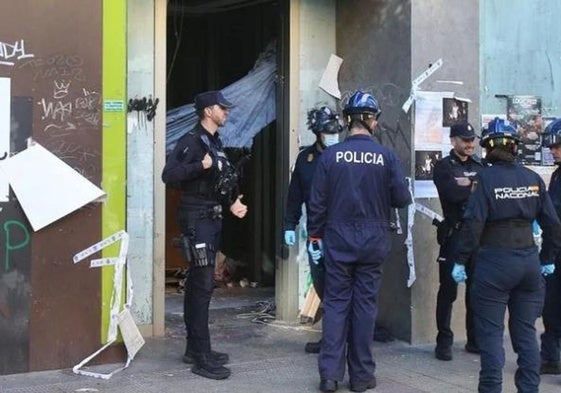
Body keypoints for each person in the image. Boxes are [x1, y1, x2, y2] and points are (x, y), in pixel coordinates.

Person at [307, 91, 412, 393]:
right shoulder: (386, 157)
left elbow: (317, 203)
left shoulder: (330, 156)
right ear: (371, 121)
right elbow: (402, 198)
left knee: (336, 306)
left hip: (338, 241)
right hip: (373, 240)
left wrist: (315, 236)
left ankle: (330, 376)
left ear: (347, 120)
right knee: (365, 307)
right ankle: (362, 376)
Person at [450, 117, 561, 393]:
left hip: (494, 264)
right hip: (528, 264)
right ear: (515, 148)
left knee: (490, 336)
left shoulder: (485, 180)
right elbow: (553, 225)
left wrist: (460, 261)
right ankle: (529, 389)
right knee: (526, 335)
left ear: (487, 149)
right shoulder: (533, 179)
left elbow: (473, 224)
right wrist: (547, 259)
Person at [161, 90, 248, 380]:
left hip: (211, 218)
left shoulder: (215, 143)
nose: (226, 112)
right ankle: (202, 357)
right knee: (201, 286)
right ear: (208, 111)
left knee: (202, 286)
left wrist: (231, 203)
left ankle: (194, 349)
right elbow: (169, 175)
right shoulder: (192, 142)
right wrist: (201, 165)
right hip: (197, 219)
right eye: (222, 108)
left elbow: (218, 184)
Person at [283, 106, 343, 354]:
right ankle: (330, 337)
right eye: (328, 131)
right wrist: (289, 224)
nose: (333, 135)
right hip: (316, 232)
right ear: (318, 132)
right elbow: (295, 195)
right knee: (322, 284)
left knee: (340, 285)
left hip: (342, 232)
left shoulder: (344, 156)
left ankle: (339, 339)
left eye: (336, 131)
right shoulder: (305, 159)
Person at [432, 122, 485, 361]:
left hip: (476, 237)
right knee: (448, 291)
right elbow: (453, 194)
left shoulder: (479, 165)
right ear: (453, 140)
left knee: (475, 291)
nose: (470, 144)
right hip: (454, 235)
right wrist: (475, 186)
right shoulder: (444, 167)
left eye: (472, 139)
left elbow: (486, 195)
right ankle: (443, 341)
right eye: (464, 140)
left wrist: (468, 185)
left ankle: (474, 340)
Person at [540, 118, 561, 375]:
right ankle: (551, 358)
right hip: (555, 250)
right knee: (552, 306)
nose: (554, 150)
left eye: (558, 146)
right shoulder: (557, 175)